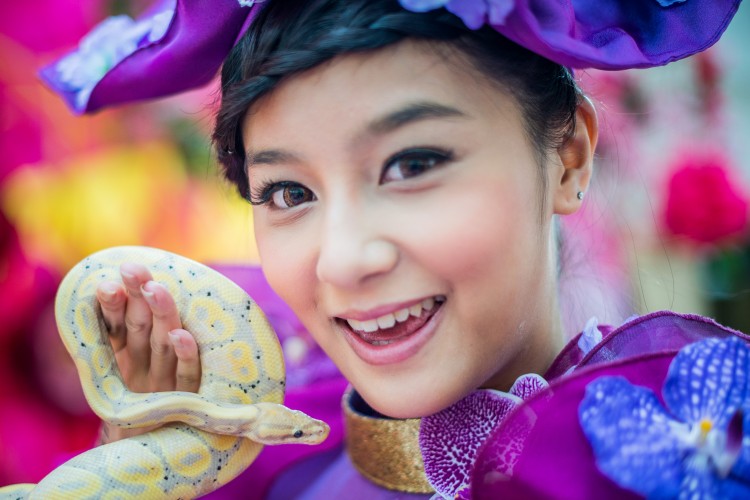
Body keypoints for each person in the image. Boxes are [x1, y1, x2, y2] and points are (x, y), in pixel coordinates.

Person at [38, 0, 749, 498]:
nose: (344, 260)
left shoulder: (711, 460)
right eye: (288, 193)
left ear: (567, 156)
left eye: (411, 165)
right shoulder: (263, 472)